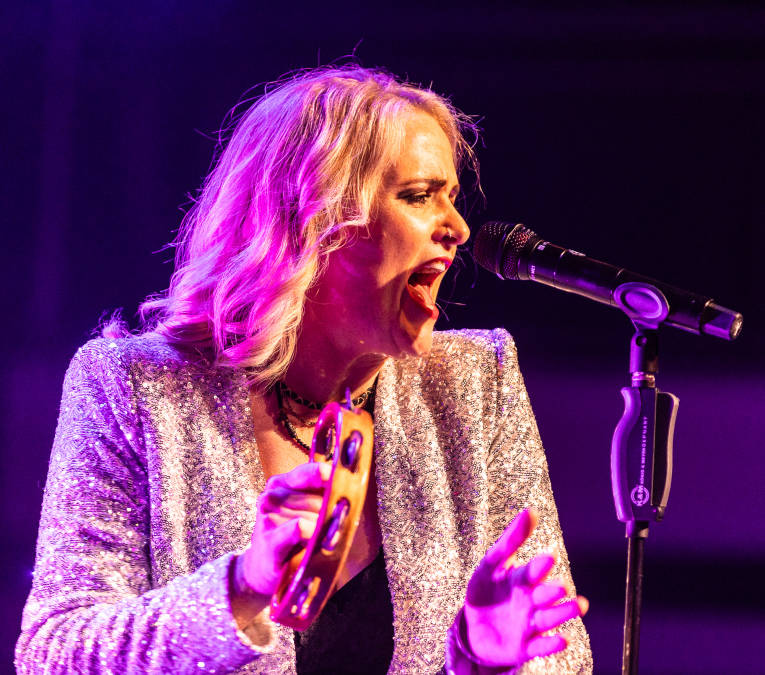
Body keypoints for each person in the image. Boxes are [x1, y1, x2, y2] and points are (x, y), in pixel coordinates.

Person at [16, 66, 592, 674]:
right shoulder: (136, 388)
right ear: (312, 222)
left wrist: (481, 662)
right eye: (420, 196)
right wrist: (243, 584)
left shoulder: (474, 386)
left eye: (451, 196)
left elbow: (562, 655)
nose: (458, 228)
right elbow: (56, 652)